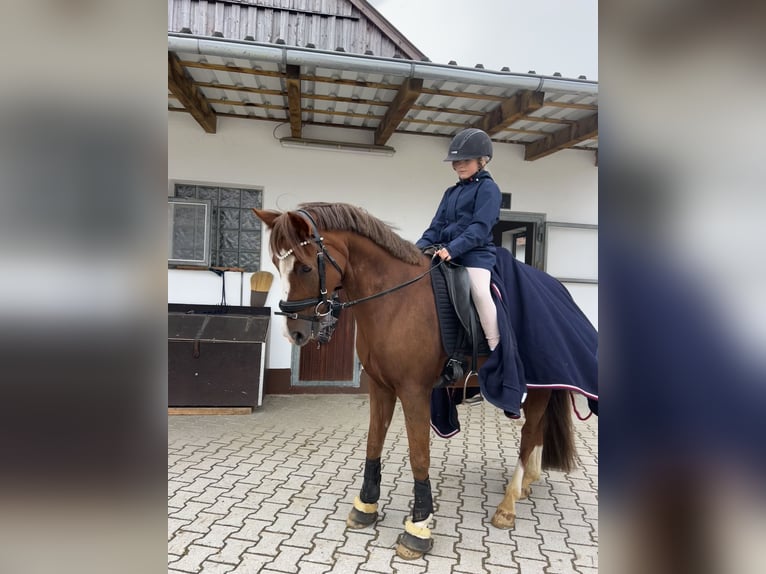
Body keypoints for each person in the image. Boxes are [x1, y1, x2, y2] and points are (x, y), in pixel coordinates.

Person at [415, 128, 501, 351]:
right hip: (445, 253)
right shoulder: (450, 193)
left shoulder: (489, 189)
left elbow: (480, 228)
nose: (459, 166)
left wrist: (453, 249)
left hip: (474, 256)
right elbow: (436, 227)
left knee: (481, 293)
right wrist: (416, 250)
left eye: (465, 160)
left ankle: (495, 347)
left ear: (482, 161)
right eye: (455, 162)